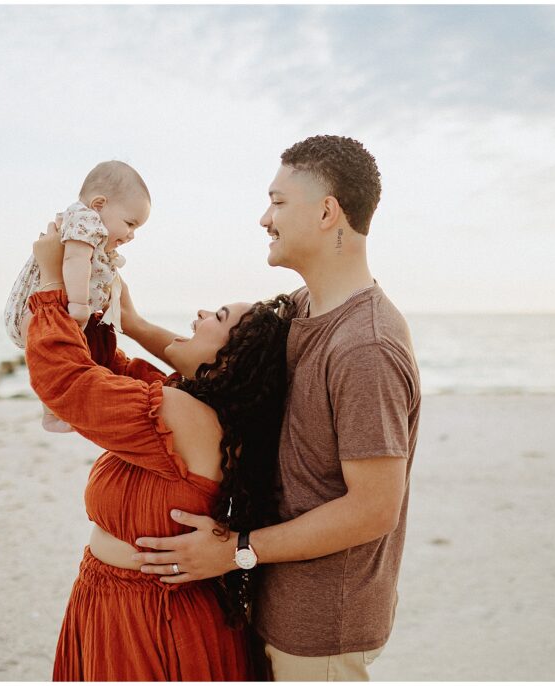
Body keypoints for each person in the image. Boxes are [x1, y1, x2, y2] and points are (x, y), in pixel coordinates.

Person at [132, 135, 421, 681]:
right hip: (271, 604)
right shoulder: (301, 309)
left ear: (327, 212)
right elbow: (225, 364)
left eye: (279, 202)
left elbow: (375, 508)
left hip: (323, 628)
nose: (266, 218)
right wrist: (133, 324)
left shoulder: (367, 345)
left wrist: (235, 551)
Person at [24, 219, 295, 680]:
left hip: (150, 620)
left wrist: (51, 281)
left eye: (219, 318)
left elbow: (67, 380)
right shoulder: (191, 404)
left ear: (228, 362)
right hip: (114, 602)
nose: (201, 314)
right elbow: (110, 367)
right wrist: (102, 304)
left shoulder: (185, 416)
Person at [5, 160, 151, 432]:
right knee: (58, 360)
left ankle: (56, 410)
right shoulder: (85, 221)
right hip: (41, 309)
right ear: (99, 205)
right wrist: (80, 304)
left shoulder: (94, 231)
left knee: (67, 360)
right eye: (130, 224)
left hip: (55, 309)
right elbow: (75, 260)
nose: (131, 235)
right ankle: (53, 410)